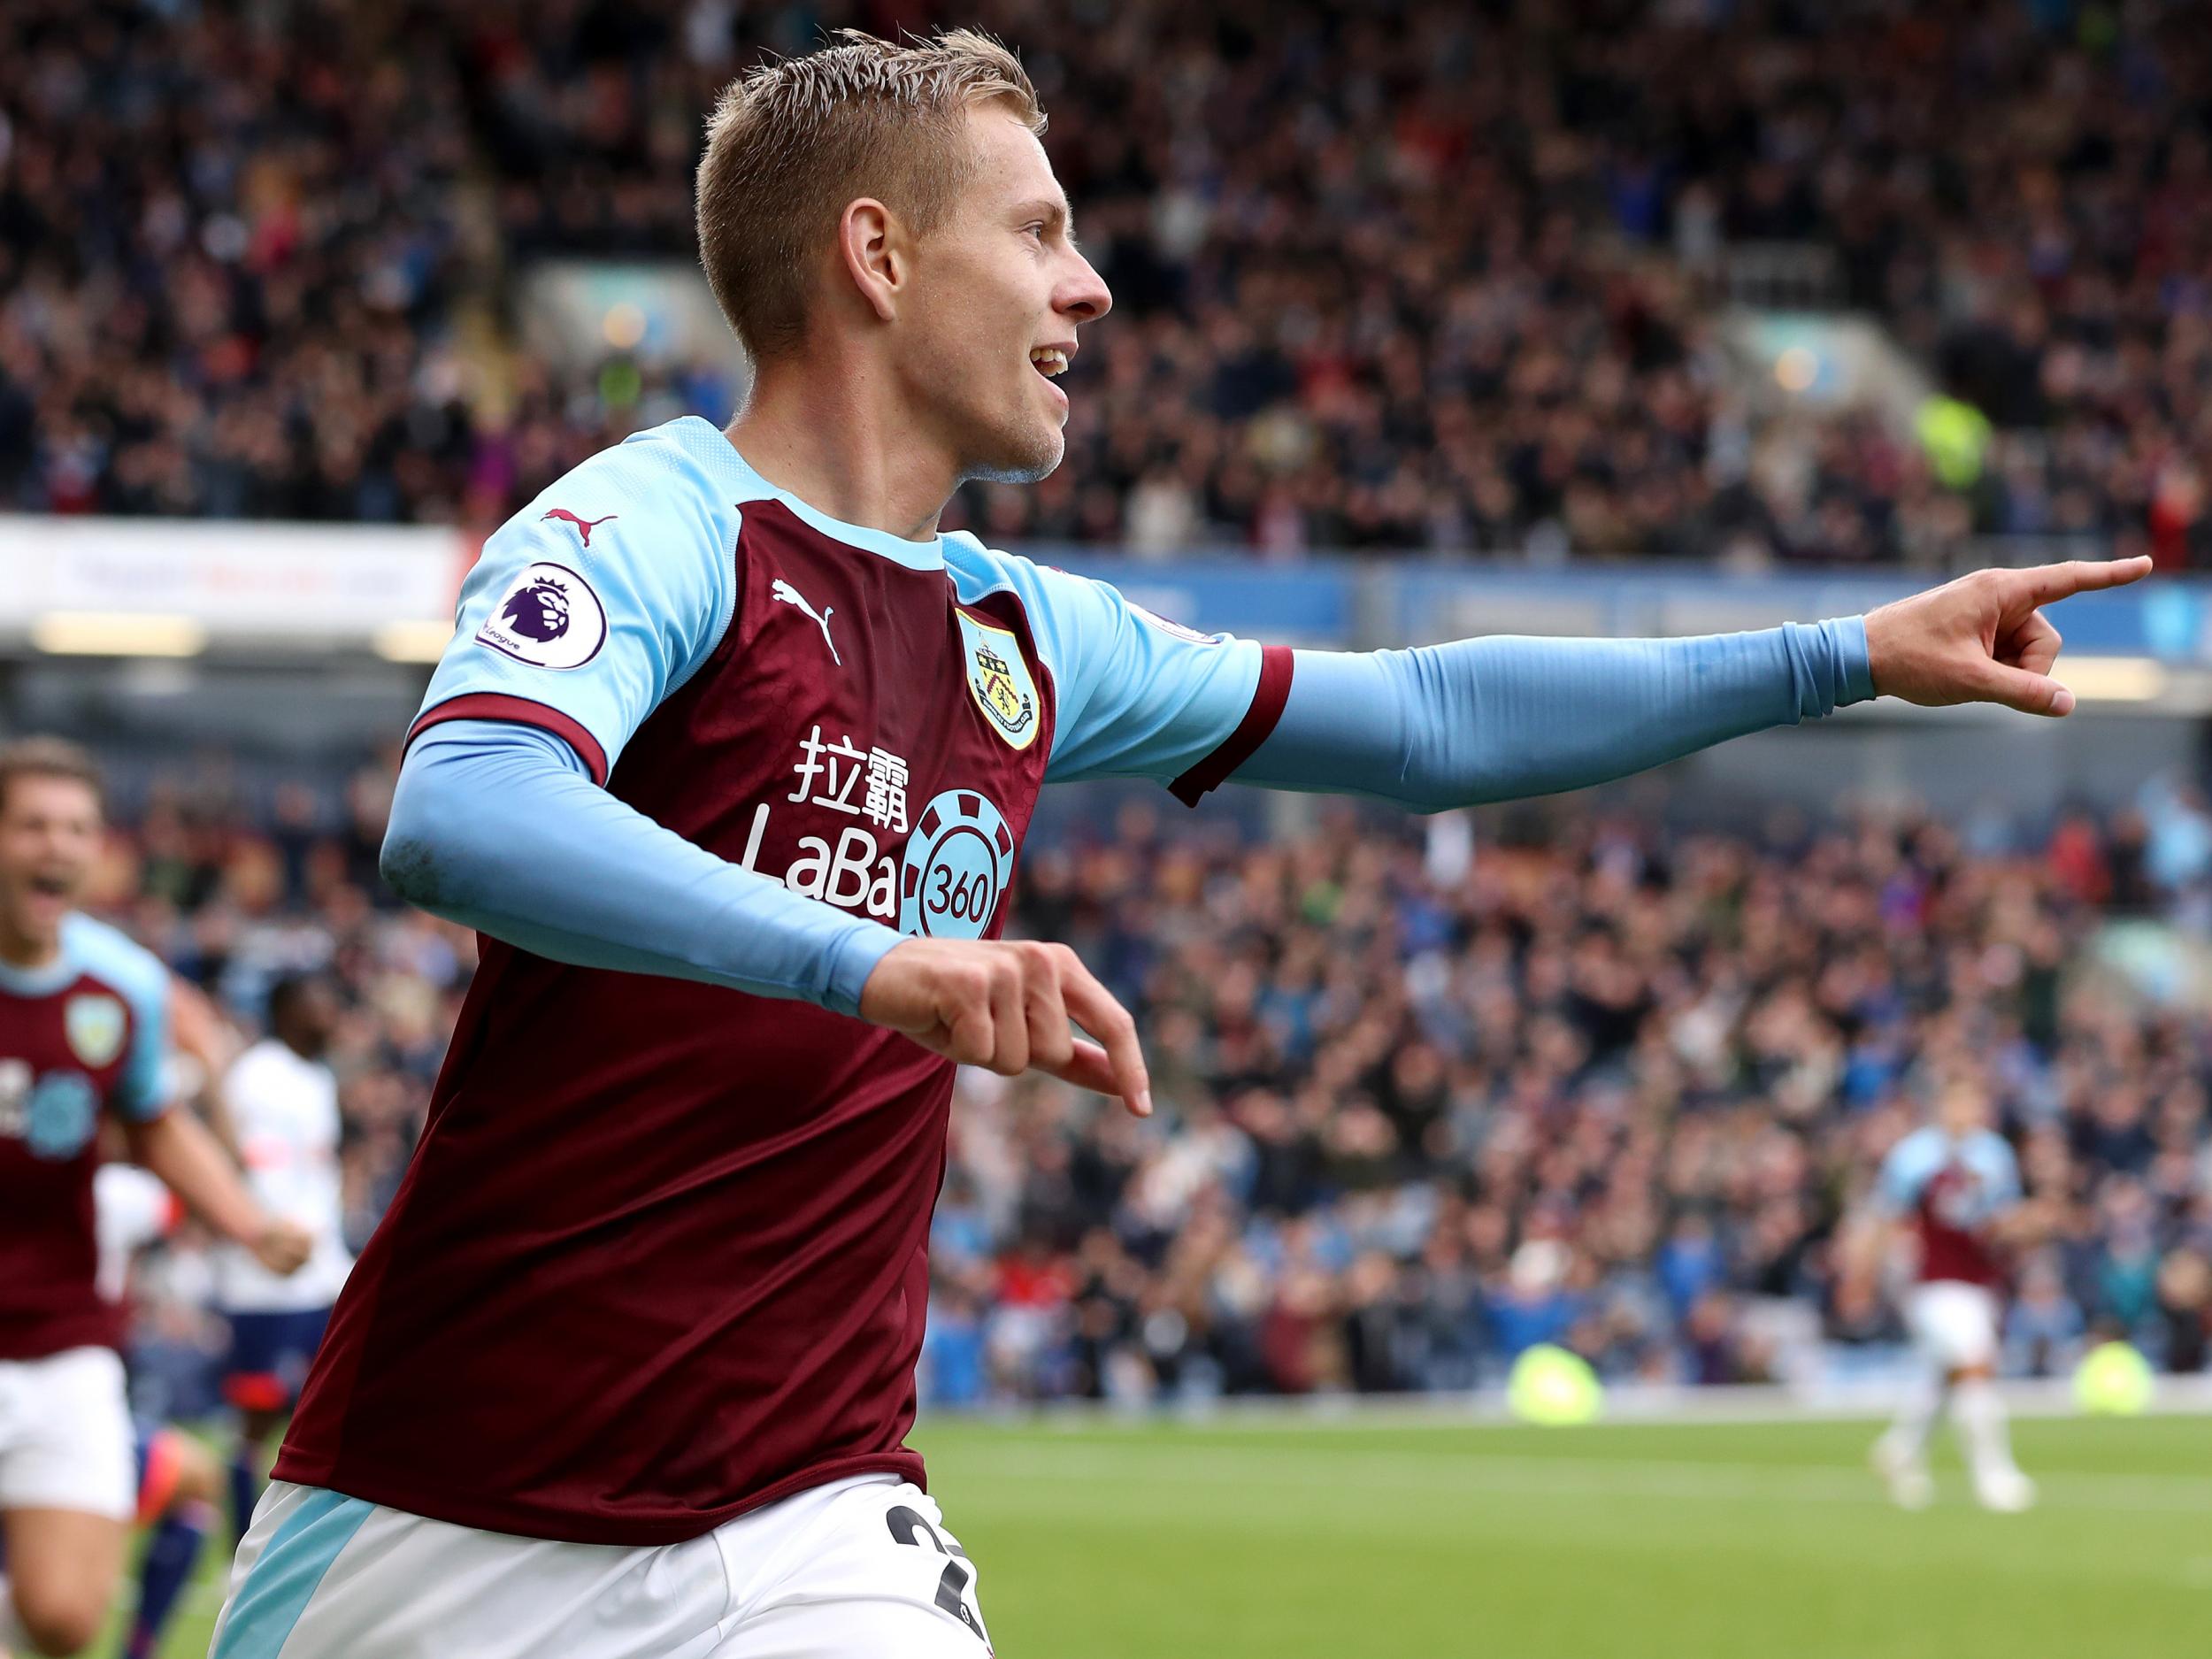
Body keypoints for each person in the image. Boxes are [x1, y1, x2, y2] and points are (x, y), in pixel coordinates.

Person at [211, 30, 2146, 1658]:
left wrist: (1841, 653)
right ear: (876, 255)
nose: (1090, 287)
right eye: (1039, 232)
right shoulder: (654, 523)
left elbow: (1423, 722)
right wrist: (871, 960)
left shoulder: (1023, 634)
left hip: (807, 1516)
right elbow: (461, 810)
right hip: (446, 1509)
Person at [0, 738, 311, 1658]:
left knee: (63, 1617)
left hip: (63, 1338)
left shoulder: (122, 987)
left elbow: (153, 1124)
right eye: (31, 826)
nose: (55, 845)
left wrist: (250, 1224)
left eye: (76, 829)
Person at [206, 976, 351, 1544]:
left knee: (328, 1412)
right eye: (317, 1000)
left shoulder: (317, 1078)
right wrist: (273, 1235)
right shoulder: (258, 1078)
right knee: (257, 1417)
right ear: (286, 1010)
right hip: (266, 1279)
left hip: (324, 1275)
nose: (329, 1012)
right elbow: (251, 1169)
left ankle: (304, 1539)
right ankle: (238, 1544)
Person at [1868, 1077, 2039, 1512]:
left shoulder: (1994, 1154)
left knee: (1946, 1373)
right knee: (1975, 1362)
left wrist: (2029, 1225)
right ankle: (1993, 1474)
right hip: (1932, 1282)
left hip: (1980, 1280)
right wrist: (1881, 1272)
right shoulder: (1913, 1157)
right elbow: (1889, 1218)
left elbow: (2003, 1218)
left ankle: (1900, 1449)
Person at [90, 1163, 228, 1659]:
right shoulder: (109, 1189)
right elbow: (188, 1187)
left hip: (80, 1409)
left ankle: (138, 1652)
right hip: (52, 1408)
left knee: (197, 1477)